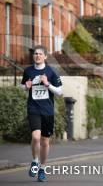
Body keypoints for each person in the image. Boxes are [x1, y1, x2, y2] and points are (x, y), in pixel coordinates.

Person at [21, 45, 62, 182]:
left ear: (45, 56)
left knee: (45, 141)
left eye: (40, 54)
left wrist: (47, 84)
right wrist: (25, 87)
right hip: (33, 108)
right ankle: (34, 161)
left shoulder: (51, 72)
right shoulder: (28, 71)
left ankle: (42, 168)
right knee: (36, 137)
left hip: (47, 111)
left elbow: (60, 92)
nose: (37, 56)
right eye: (35, 54)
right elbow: (22, 86)